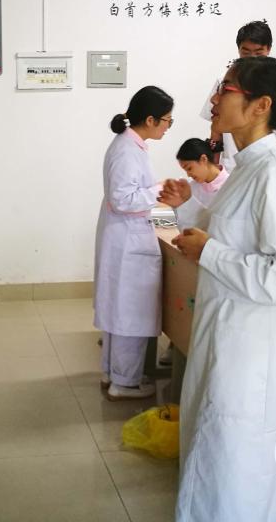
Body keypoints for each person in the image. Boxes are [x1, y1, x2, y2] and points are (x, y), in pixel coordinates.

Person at [172, 56, 276, 522]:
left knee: (239, 462)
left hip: (254, 345)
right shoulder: (247, 166)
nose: (215, 99)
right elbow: (227, 232)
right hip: (228, 331)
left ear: (261, 106)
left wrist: (210, 252)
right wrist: (189, 215)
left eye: (227, 89)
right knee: (220, 453)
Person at [94, 85, 174, 401]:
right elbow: (123, 198)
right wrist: (159, 190)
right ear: (151, 120)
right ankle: (125, 383)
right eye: (167, 120)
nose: (168, 127)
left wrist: (155, 191)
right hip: (128, 240)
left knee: (120, 311)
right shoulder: (128, 149)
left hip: (125, 237)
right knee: (130, 313)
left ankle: (113, 374)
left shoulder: (130, 145)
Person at [198, 20, 273, 173]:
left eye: (258, 53)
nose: (252, 59)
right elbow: (216, 130)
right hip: (231, 166)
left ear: (268, 50)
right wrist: (212, 171)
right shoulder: (225, 80)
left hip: (267, 166)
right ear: (239, 50)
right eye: (246, 53)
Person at [160, 138, 229, 232]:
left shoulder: (230, 186)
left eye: (189, 168)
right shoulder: (189, 187)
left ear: (203, 159)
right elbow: (184, 225)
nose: (188, 174)